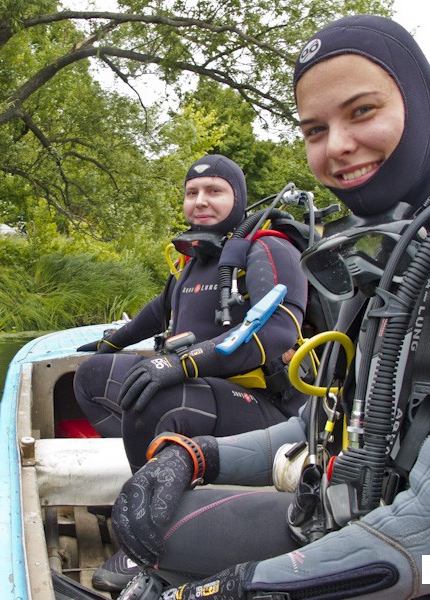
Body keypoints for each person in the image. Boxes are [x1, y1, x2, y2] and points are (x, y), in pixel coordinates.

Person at [109, 14, 430, 600]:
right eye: (315, 129)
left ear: (422, 107)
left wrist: (241, 588)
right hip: (363, 521)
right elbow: (318, 430)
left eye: (362, 112)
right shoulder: (392, 263)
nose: (338, 146)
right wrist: (194, 456)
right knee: (155, 530)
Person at [73, 154, 310, 591]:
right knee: (91, 378)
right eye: (192, 193)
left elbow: (278, 331)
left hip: (268, 416)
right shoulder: (194, 259)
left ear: (237, 198)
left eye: (215, 191)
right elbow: (157, 311)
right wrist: (112, 344)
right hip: (204, 396)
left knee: (158, 396)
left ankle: (149, 539)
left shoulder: (267, 248)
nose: (201, 201)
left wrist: (180, 362)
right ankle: (150, 490)